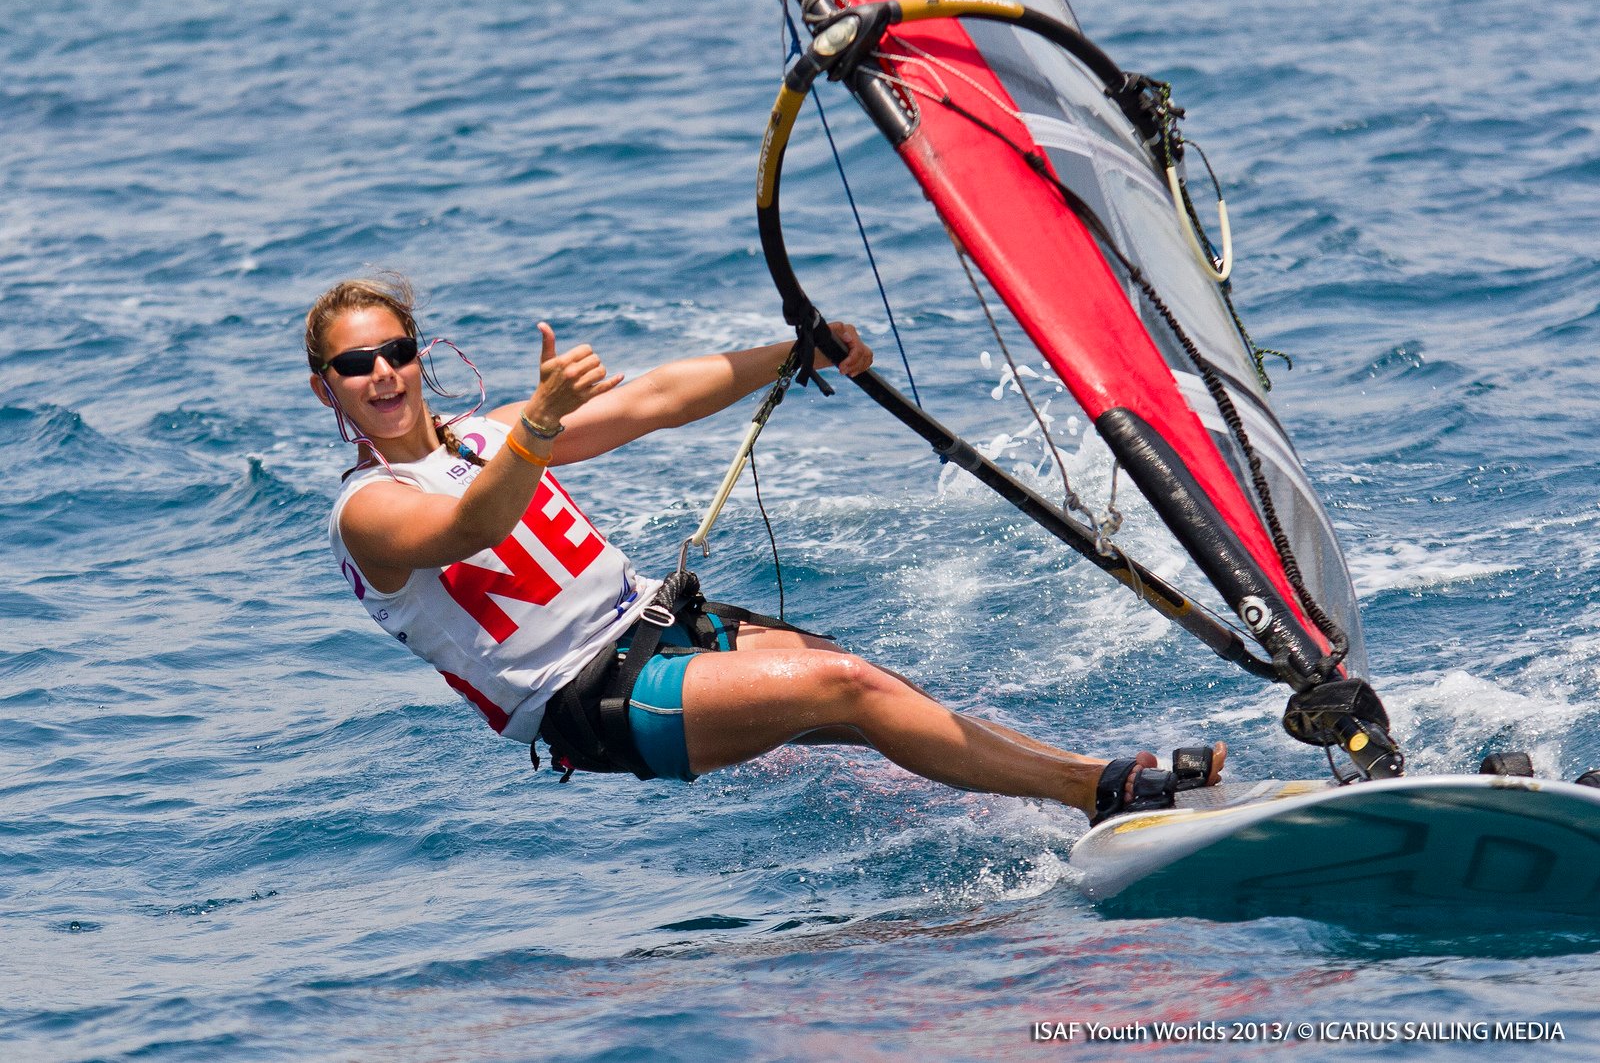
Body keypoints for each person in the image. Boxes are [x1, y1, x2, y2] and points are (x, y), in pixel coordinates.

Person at [305, 274, 1224, 823]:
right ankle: (1100, 789)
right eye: (355, 365)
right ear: (327, 391)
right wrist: (541, 423)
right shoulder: (368, 511)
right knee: (849, 688)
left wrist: (797, 352)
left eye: (396, 349)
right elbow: (471, 528)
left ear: (419, 353)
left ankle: (1086, 781)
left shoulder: (486, 436)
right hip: (596, 700)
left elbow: (661, 394)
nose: (381, 373)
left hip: (664, 630)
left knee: (876, 687)